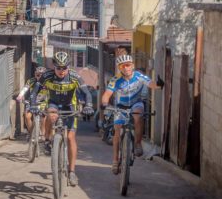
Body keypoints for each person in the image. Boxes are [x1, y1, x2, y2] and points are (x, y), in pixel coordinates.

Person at [32, 51, 93, 186]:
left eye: (64, 67)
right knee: (51, 114)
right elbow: (35, 90)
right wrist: (33, 105)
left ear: (68, 67)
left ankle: (71, 172)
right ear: (54, 66)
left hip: (70, 105)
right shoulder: (47, 76)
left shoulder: (75, 76)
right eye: (58, 68)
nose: (61, 71)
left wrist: (88, 105)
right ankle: (48, 140)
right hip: (54, 103)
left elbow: (86, 93)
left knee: (71, 138)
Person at [100, 54, 163, 174]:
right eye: (122, 66)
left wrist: (159, 85)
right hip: (121, 107)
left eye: (128, 65)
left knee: (138, 115)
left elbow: (151, 84)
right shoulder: (115, 80)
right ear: (119, 68)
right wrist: (104, 103)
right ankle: (115, 160)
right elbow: (107, 94)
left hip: (136, 103)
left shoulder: (139, 76)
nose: (125, 68)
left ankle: (138, 143)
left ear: (132, 65)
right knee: (117, 131)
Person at [16, 66, 47, 137]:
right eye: (38, 75)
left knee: (43, 117)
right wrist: (20, 96)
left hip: (43, 102)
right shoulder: (31, 81)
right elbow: (25, 88)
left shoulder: (48, 82)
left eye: (42, 75)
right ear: (35, 74)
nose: (40, 76)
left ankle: (43, 134)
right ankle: (31, 133)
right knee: (27, 116)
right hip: (31, 101)